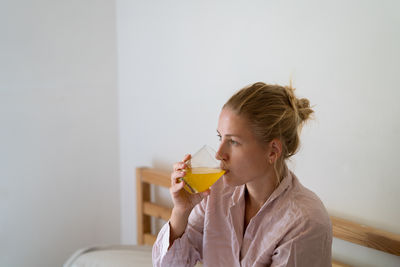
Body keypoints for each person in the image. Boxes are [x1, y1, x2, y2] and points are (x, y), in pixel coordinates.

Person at [152, 82, 332, 266]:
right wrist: (181, 212)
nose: (219, 154)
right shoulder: (215, 192)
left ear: (272, 151)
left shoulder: (305, 222)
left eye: (234, 142)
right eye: (220, 138)